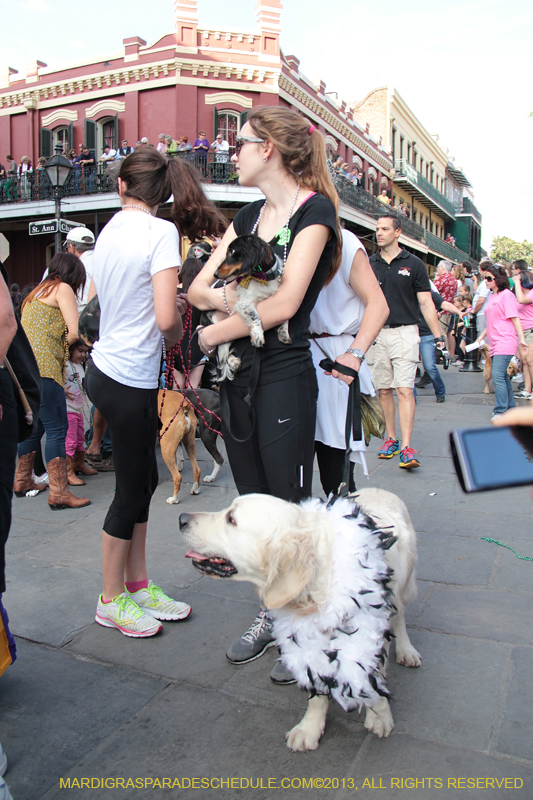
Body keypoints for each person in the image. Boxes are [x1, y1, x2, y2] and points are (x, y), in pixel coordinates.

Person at [189, 107, 341, 670]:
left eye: (242, 142)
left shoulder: (314, 212)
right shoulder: (248, 214)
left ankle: (309, 622)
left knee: (292, 509)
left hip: (281, 376)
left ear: (269, 149)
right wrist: (238, 307)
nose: (234, 152)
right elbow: (199, 287)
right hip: (238, 379)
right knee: (250, 502)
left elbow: (285, 304)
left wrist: (212, 335)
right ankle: (272, 613)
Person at [85, 147, 226, 638]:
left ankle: (138, 585)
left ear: (121, 187)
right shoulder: (162, 232)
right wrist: (171, 334)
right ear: (162, 193)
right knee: (131, 490)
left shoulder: (108, 230)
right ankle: (110, 598)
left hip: (109, 369)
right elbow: (166, 319)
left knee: (143, 481)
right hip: (129, 375)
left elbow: (126, 300)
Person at [310, 229, 389, 495]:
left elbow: (378, 304)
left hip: (335, 356)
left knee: (336, 472)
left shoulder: (344, 241)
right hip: (293, 355)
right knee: (289, 475)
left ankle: (347, 530)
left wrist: (354, 353)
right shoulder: (284, 238)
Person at [367, 213, 444, 468]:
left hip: (405, 332)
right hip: (376, 333)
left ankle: (407, 447)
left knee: (405, 389)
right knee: (384, 390)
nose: (379, 233)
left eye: (385, 229)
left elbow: (426, 303)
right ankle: (391, 438)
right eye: (377, 229)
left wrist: (438, 336)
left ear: (397, 232)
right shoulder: (369, 263)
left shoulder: (414, 264)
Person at [15, 253, 90, 509]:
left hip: (26, 369)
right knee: (58, 430)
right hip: (46, 368)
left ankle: (22, 480)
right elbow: (74, 330)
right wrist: (61, 344)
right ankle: (59, 493)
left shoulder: (32, 294)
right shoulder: (62, 288)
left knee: (35, 427)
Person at [474, 265, 528, 420]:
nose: (486, 281)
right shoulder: (493, 295)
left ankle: (501, 411)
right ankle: (509, 408)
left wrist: (522, 340)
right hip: (495, 341)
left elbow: (515, 318)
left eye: (489, 278)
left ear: (498, 279)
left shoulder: (506, 296)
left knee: (497, 375)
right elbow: (492, 319)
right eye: (486, 278)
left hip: (505, 340)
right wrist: (482, 336)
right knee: (502, 376)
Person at [416, 287, 462, 401]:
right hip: (409, 332)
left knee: (429, 366)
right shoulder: (405, 291)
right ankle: (410, 398)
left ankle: (440, 391)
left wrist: (458, 311)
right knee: (408, 368)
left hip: (426, 333)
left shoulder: (428, 292)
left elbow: (444, 304)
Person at [64, 340, 96, 485]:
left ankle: (79, 464)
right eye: (80, 351)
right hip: (68, 409)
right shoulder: (64, 365)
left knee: (79, 439)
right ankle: (68, 471)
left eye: (85, 352)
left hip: (78, 409)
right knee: (70, 441)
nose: (83, 355)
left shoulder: (80, 365)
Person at [172, 257, 206, 391]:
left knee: (177, 387)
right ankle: (190, 412)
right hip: (197, 345)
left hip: (177, 346)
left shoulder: (175, 293)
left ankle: (175, 412)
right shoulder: (201, 295)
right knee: (192, 388)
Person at [513, 270, 533, 399]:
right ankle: (527, 389)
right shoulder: (518, 294)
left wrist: (515, 282)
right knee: (524, 361)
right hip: (521, 331)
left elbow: (521, 300)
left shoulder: (530, 293)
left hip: (531, 330)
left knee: (531, 361)